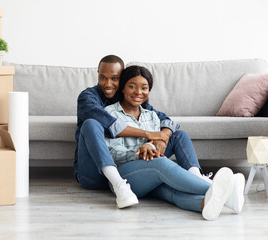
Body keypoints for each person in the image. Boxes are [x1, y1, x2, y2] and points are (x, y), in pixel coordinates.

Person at [104, 65, 245, 220]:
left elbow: (158, 140)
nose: (138, 92)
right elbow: (110, 153)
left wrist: (152, 145)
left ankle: (204, 204)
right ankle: (222, 191)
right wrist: (140, 151)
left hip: (150, 176)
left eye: (144, 88)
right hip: (126, 175)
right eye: (132, 87)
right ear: (122, 88)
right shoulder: (110, 113)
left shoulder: (151, 116)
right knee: (160, 164)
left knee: (169, 190)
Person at [74, 55, 181, 208]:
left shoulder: (129, 94)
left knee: (177, 135)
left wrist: (160, 138)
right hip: (93, 174)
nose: (108, 84)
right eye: (103, 77)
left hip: (126, 170)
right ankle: (118, 185)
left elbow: (163, 119)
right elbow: (111, 125)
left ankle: (198, 177)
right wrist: (148, 134)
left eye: (115, 78)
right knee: (91, 123)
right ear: (97, 73)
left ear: (122, 79)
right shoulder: (88, 98)